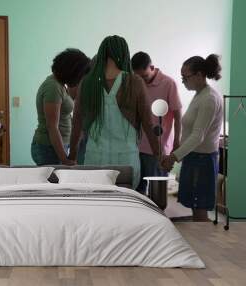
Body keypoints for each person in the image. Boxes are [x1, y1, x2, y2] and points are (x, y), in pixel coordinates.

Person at [69, 36, 159, 188]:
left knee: (97, 207)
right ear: (125, 54)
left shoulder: (88, 83)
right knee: (124, 207)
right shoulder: (134, 82)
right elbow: (148, 124)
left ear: (102, 53)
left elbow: (76, 122)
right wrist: (159, 156)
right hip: (125, 162)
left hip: (94, 161)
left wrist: (71, 157)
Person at [161, 54, 223, 221]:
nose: (183, 81)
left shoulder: (209, 99)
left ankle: (205, 245)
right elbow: (190, 132)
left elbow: (198, 136)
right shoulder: (200, 95)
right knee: (196, 209)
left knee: (200, 210)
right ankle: (201, 242)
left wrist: (174, 156)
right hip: (194, 158)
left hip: (202, 161)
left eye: (185, 77)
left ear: (199, 74)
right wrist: (178, 151)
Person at [131, 52, 182, 194]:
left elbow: (178, 115)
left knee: (157, 194)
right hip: (135, 147)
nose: (141, 80)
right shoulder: (135, 83)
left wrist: (177, 141)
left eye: (144, 76)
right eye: (138, 77)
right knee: (136, 191)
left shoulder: (168, 83)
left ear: (152, 67)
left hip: (158, 149)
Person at [31, 48, 91, 166]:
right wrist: (64, 159)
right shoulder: (53, 87)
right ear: (72, 71)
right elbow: (52, 126)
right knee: (54, 184)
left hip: (56, 147)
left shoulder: (60, 85)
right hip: (48, 148)